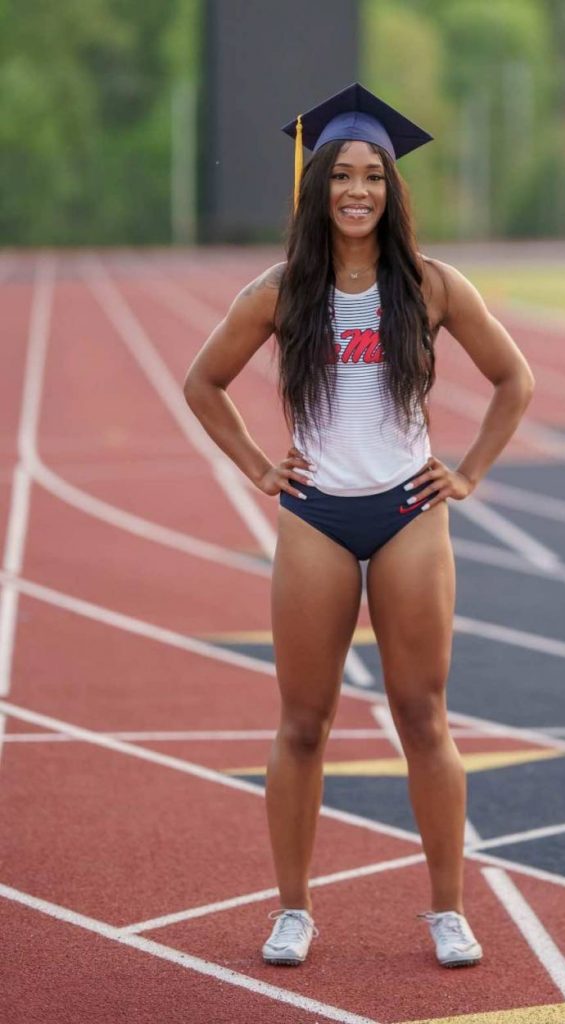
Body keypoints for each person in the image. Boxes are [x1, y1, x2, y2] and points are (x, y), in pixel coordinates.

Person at [183, 83, 534, 969]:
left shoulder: (430, 285)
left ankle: (448, 910)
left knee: (424, 716)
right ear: (316, 188)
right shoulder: (277, 292)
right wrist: (260, 466)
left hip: (409, 512)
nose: (356, 190)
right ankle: (294, 910)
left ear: (390, 189)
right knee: (304, 723)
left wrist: (470, 470)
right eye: (340, 174)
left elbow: (513, 379)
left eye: (372, 176)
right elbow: (203, 383)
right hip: (316, 517)